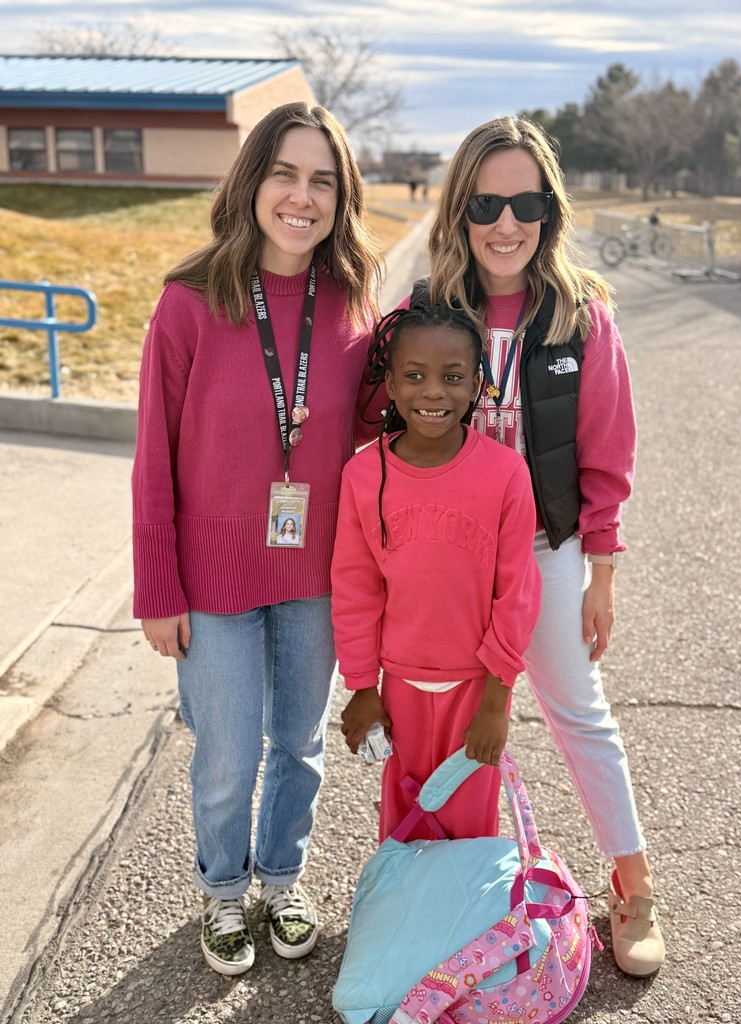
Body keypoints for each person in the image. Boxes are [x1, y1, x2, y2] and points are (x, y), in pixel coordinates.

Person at [132, 100, 382, 976]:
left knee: (301, 745)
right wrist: (157, 589)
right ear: (253, 182)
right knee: (230, 754)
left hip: (313, 572)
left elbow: (379, 427)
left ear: (341, 196)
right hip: (211, 578)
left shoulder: (353, 304)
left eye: (322, 179)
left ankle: (283, 878)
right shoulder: (190, 301)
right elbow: (152, 459)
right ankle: (224, 892)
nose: (301, 196)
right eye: (285, 172)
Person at [416, 114, 666, 977]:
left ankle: (632, 881)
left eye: (525, 200)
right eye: (487, 201)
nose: (505, 221)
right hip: (450, 555)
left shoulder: (582, 313)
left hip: (546, 548)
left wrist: (601, 571)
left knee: (577, 713)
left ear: (549, 209)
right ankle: (461, 887)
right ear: (461, 209)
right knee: (451, 720)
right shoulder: (429, 309)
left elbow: (608, 448)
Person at [331, 300, 541, 843]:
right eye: (415, 376)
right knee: (404, 824)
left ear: (476, 385)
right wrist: (362, 686)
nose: (432, 392)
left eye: (451, 377)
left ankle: (469, 929)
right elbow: (355, 588)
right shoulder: (362, 475)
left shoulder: (505, 473)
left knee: (470, 826)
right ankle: (406, 928)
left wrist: (497, 704)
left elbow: (515, 594)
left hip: (475, 687)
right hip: (398, 685)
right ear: (393, 387)